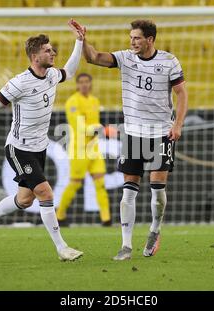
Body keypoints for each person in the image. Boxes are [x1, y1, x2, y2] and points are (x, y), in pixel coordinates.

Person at [70, 19, 188, 260]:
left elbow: (182, 94)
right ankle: (125, 246)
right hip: (133, 132)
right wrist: (82, 40)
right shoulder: (125, 57)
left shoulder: (169, 61)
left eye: (136, 38)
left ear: (150, 39)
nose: (131, 41)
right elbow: (93, 57)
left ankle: (155, 230)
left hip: (160, 132)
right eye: (131, 37)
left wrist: (177, 125)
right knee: (129, 191)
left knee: (157, 190)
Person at [0, 20, 85, 261]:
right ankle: (62, 248)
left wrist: (79, 41)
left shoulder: (52, 75)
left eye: (52, 49)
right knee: (45, 192)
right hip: (18, 148)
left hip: (40, 147)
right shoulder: (20, 82)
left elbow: (71, 71)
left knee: (25, 199)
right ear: (34, 56)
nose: (52, 53)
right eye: (47, 50)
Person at [56, 73, 111, 227]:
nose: (85, 85)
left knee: (100, 183)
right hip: (79, 149)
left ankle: (106, 219)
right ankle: (59, 214)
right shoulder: (72, 102)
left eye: (87, 81)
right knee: (75, 183)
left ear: (91, 83)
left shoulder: (94, 101)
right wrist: (99, 128)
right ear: (77, 85)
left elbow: (95, 126)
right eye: (81, 82)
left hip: (94, 148)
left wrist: (99, 130)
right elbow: (79, 128)